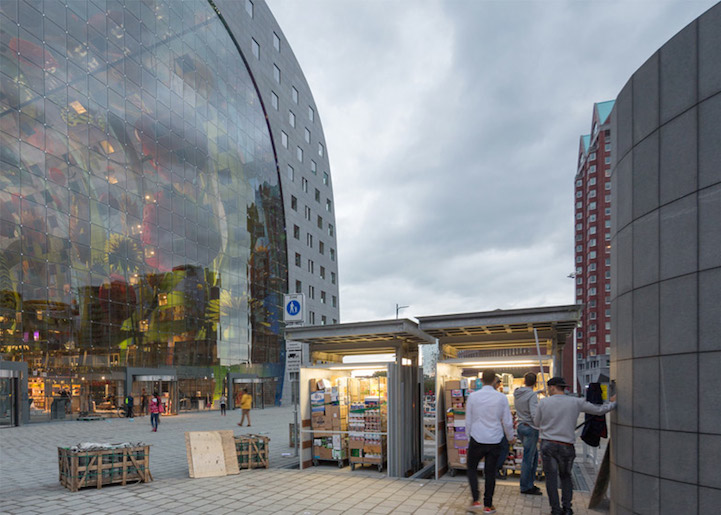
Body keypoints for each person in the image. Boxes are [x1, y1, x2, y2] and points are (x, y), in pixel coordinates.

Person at [534, 377, 617, 515]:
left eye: (549, 388)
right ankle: (567, 508)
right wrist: (613, 403)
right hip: (566, 445)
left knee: (551, 479)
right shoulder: (576, 402)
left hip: (548, 444)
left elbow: (537, 423)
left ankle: (555, 510)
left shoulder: (543, 403)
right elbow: (599, 410)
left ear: (553, 387)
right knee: (566, 477)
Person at [465, 370, 516, 514]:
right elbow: (507, 421)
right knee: (490, 472)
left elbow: (468, 421)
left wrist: (469, 437)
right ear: (494, 380)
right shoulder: (501, 398)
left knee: (472, 469)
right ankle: (488, 505)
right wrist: (510, 437)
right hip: (494, 439)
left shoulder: (473, 397)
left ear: (481, 380)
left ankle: (475, 500)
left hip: (477, 438)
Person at [514, 372, 542, 495]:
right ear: (535, 383)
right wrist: (541, 427)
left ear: (524, 381)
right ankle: (525, 487)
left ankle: (530, 484)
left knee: (533, 457)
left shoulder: (518, 393)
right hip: (530, 428)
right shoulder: (532, 395)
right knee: (528, 459)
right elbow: (534, 414)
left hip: (521, 426)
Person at [492, 376, 509, 481]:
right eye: (499, 383)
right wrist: (510, 435)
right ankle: (496, 469)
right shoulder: (500, 397)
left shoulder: (479, 396)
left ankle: (493, 469)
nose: (500, 385)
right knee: (504, 447)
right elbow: (506, 419)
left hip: (485, 431)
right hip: (497, 428)